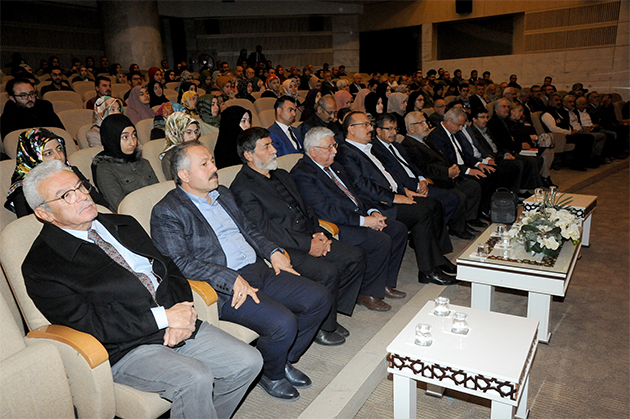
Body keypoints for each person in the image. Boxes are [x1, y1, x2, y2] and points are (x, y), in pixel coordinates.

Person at [21, 160, 262, 418]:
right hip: (126, 346)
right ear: (44, 213)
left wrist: (182, 313)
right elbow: (90, 323)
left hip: (175, 317)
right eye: (66, 195)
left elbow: (170, 268)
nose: (82, 196)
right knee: (195, 378)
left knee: (249, 362)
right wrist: (163, 318)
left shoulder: (123, 224)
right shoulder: (42, 265)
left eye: (80, 186)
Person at [150, 141, 331, 401]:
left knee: (319, 298)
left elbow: (250, 229)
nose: (214, 168)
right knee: (283, 322)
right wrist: (229, 278)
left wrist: (273, 252)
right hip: (224, 287)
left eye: (213, 161)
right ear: (184, 175)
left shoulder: (222, 193)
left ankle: (279, 360)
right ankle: (272, 374)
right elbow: (178, 262)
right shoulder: (167, 211)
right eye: (205, 164)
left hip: (259, 270)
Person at [231, 127, 367, 345]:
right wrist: (308, 244)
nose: (274, 150)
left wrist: (318, 234)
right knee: (328, 271)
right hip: (283, 247)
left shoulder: (282, 175)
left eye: (272, 144)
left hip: (309, 235)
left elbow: (307, 209)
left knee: (355, 256)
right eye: (267, 146)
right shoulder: (243, 187)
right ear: (249, 155)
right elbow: (265, 231)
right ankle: (322, 326)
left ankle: (330, 310)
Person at [291, 127, 409, 311]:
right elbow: (325, 210)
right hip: (336, 225)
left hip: (358, 216)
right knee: (380, 240)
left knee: (398, 230)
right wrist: (364, 221)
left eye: (334, 145)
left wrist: (371, 211)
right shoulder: (302, 174)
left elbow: (356, 193)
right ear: (313, 151)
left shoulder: (334, 165)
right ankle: (367, 292)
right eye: (329, 147)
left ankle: (384, 283)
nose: (335, 151)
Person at [336, 111, 457, 285]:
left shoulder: (367, 148)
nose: (370, 128)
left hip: (393, 194)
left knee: (434, 204)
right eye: (366, 125)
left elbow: (389, 175)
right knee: (422, 212)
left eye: (370, 124)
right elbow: (362, 186)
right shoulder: (346, 152)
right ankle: (428, 270)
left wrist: (404, 191)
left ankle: (437, 258)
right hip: (379, 204)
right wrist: (394, 197)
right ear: (351, 129)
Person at [371, 113, 471, 240]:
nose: (393, 132)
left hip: (419, 183)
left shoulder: (397, 145)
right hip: (407, 188)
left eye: (395, 129)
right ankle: (428, 236)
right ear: (378, 131)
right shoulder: (375, 149)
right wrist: (409, 188)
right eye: (389, 129)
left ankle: (429, 234)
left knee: (453, 197)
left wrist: (422, 179)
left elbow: (413, 166)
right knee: (443, 201)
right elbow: (390, 174)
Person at [5, 128, 109, 216]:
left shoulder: (72, 171)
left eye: (59, 149)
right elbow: (33, 227)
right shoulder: (23, 191)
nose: (59, 157)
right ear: (32, 157)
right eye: (48, 153)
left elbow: (101, 204)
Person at [91, 114, 158, 209]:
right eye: (125, 137)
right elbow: (120, 206)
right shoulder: (105, 169)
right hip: (134, 216)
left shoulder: (143, 162)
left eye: (134, 135)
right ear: (112, 138)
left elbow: (159, 193)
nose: (132, 142)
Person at [160, 112, 201, 180]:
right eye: (189, 132)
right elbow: (177, 184)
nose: (194, 136)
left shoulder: (198, 150)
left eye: (196, 132)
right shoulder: (169, 159)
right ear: (176, 133)